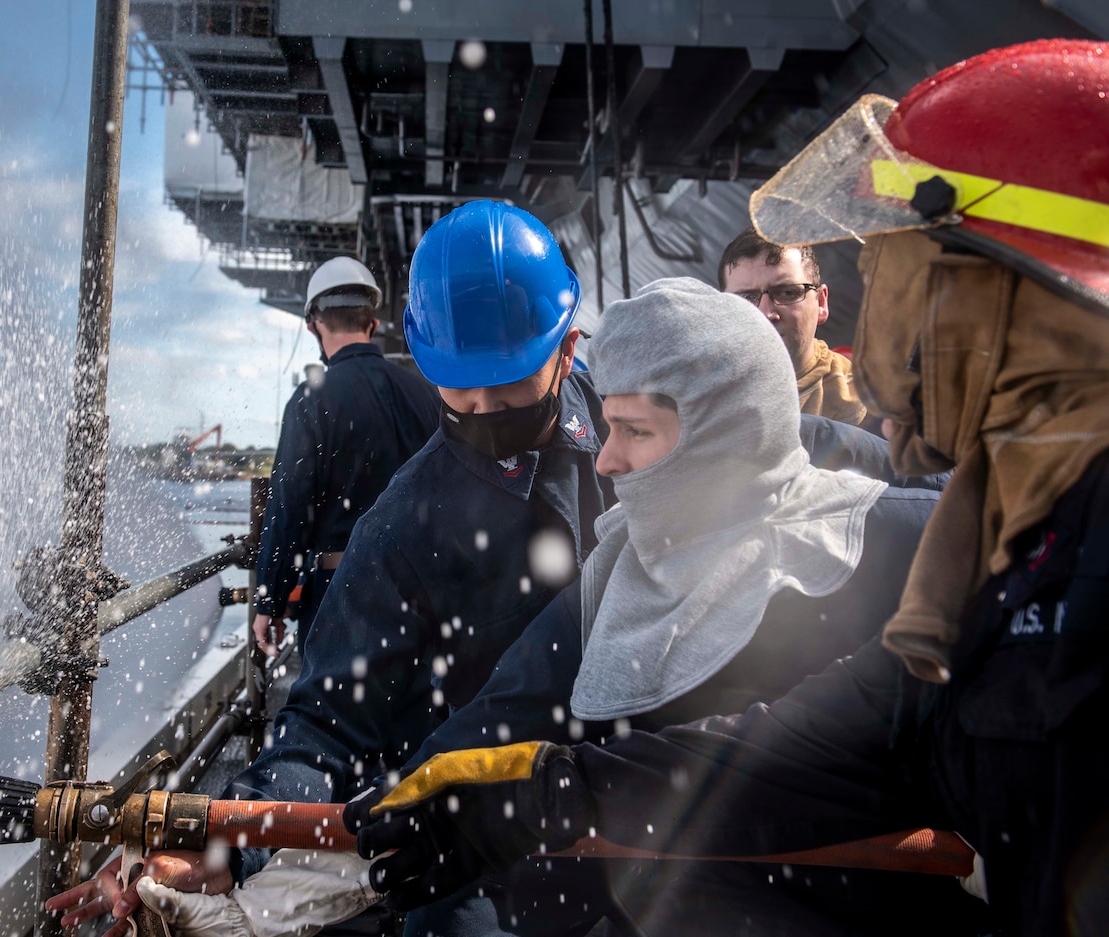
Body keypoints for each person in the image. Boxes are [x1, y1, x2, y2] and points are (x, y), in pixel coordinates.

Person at [347, 39, 1109, 936]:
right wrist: (555, 791)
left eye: (909, 268)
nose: (885, 304)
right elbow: (836, 742)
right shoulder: (1003, 552)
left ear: (1026, 298)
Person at [48, 200, 617, 935]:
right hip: (468, 821)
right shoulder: (402, 523)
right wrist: (230, 837)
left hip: (627, 795)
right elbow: (326, 722)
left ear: (567, 352)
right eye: (458, 387)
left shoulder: (624, 427)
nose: (478, 410)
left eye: (504, 388)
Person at [349, 277, 984, 936]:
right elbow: (496, 719)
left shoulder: (905, 548)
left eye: (636, 431)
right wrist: (342, 838)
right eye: (607, 426)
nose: (608, 460)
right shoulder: (620, 572)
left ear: (726, 432)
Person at [251, 257, 441, 656]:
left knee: (332, 715)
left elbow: (289, 508)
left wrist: (270, 601)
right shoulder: (424, 395)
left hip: (339, 598)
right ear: (371, 323)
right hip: (422, 596)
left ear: (314, 326)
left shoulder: (309, 402)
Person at [718, 229, 877, 432]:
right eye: (746, 298)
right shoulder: (694, 401)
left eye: (787, 293)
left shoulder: (874, 403)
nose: (766, 313)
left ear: (821, 302)